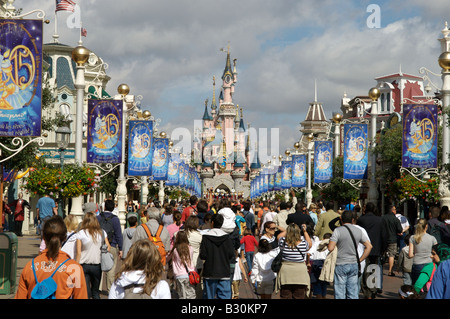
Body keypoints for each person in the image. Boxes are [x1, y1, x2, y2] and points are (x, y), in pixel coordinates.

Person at [15, 216, 88, 299]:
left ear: (44, 238)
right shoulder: (74, 268)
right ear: (64, 238)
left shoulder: (30, 267)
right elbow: (81, 296)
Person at [328, 210, 372, 299]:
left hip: (341, 263)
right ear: (352, 219)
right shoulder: (358, 231)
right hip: (354, 263)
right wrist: (360, 259)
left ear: (341, 220)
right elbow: (369, 246)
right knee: (353, 292)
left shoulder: (338, 231)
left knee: (340, 292)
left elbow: (330, 248)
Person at [200, 213, 236, 299]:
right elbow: (231, 254)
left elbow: (203, 255)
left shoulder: (206, 237)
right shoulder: (227, 238)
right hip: (224, 272)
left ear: (212, 222)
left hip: (210, 272)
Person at [76, 212, 110, 299]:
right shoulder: (102, 232)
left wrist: (76, 265)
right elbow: (108, 247)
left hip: (84, 265)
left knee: (86, 292)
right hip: (97, 265)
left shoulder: (81, 233)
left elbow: (78, 252)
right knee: (95, 292)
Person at [276, 223, 311, 299]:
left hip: (286, 273)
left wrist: (288, 229)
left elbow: (278, 236)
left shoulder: (283, 242)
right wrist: (304, 231)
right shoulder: (303, 244)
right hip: (300, 273)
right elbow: (310, 243)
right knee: (299, 296)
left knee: (285, 296)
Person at [356, 202, 384, 298]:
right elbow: (383, 235)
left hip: (364, 248)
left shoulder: (361, 220)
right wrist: (383, 249)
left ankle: (367, 291)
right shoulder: (379, 220)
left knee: (365, 271)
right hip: (376, 248)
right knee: (373, 269)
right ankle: (372, 290)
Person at [97, 199, 123, 292]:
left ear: (104, 207)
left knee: (99, 267)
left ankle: (98, 288)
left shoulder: (98, 217)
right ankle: (109, 289)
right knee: (111, 269)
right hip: (111, 245)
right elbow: (118, 234)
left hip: (99, 246)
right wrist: (120, 248)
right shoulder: (115, 219)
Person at [168, 230, 197, 299]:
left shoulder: (175, 250)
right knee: (191, 294)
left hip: (179, 275)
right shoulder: (190, 248)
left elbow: (168, 258)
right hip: (189, 274)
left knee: (181, 296)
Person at [409, 218, 438, 285]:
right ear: (426, 226)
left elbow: (410, 255)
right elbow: (436, 253)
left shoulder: (413, 238)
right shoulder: (432, 238)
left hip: (417, 264)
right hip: (429, 264)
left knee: (416, 286)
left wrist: (417, 254)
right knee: (428, 286)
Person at [184, 215, 203, 299]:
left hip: (184, 263)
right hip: (196, 263)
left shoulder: (181, 234)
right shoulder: (200, 236)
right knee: (197, 283)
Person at [382, 205, 403, 277]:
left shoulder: (383, 218)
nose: (395, 211)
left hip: (383, 238)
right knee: (392, 255)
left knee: (382, 253)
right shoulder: (395, 219)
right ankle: (390, 271)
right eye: (395, 209)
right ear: (392, 210)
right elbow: (400, 229)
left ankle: (380, 268)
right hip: (393, 239)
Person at [308, 233, 331, 299]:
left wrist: (308, 263)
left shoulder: (317, 243)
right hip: (326, 264)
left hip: (316, 263)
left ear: (323, 238)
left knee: (317, 284)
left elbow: (308, 253)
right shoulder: (331, 244)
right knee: (324, 284)